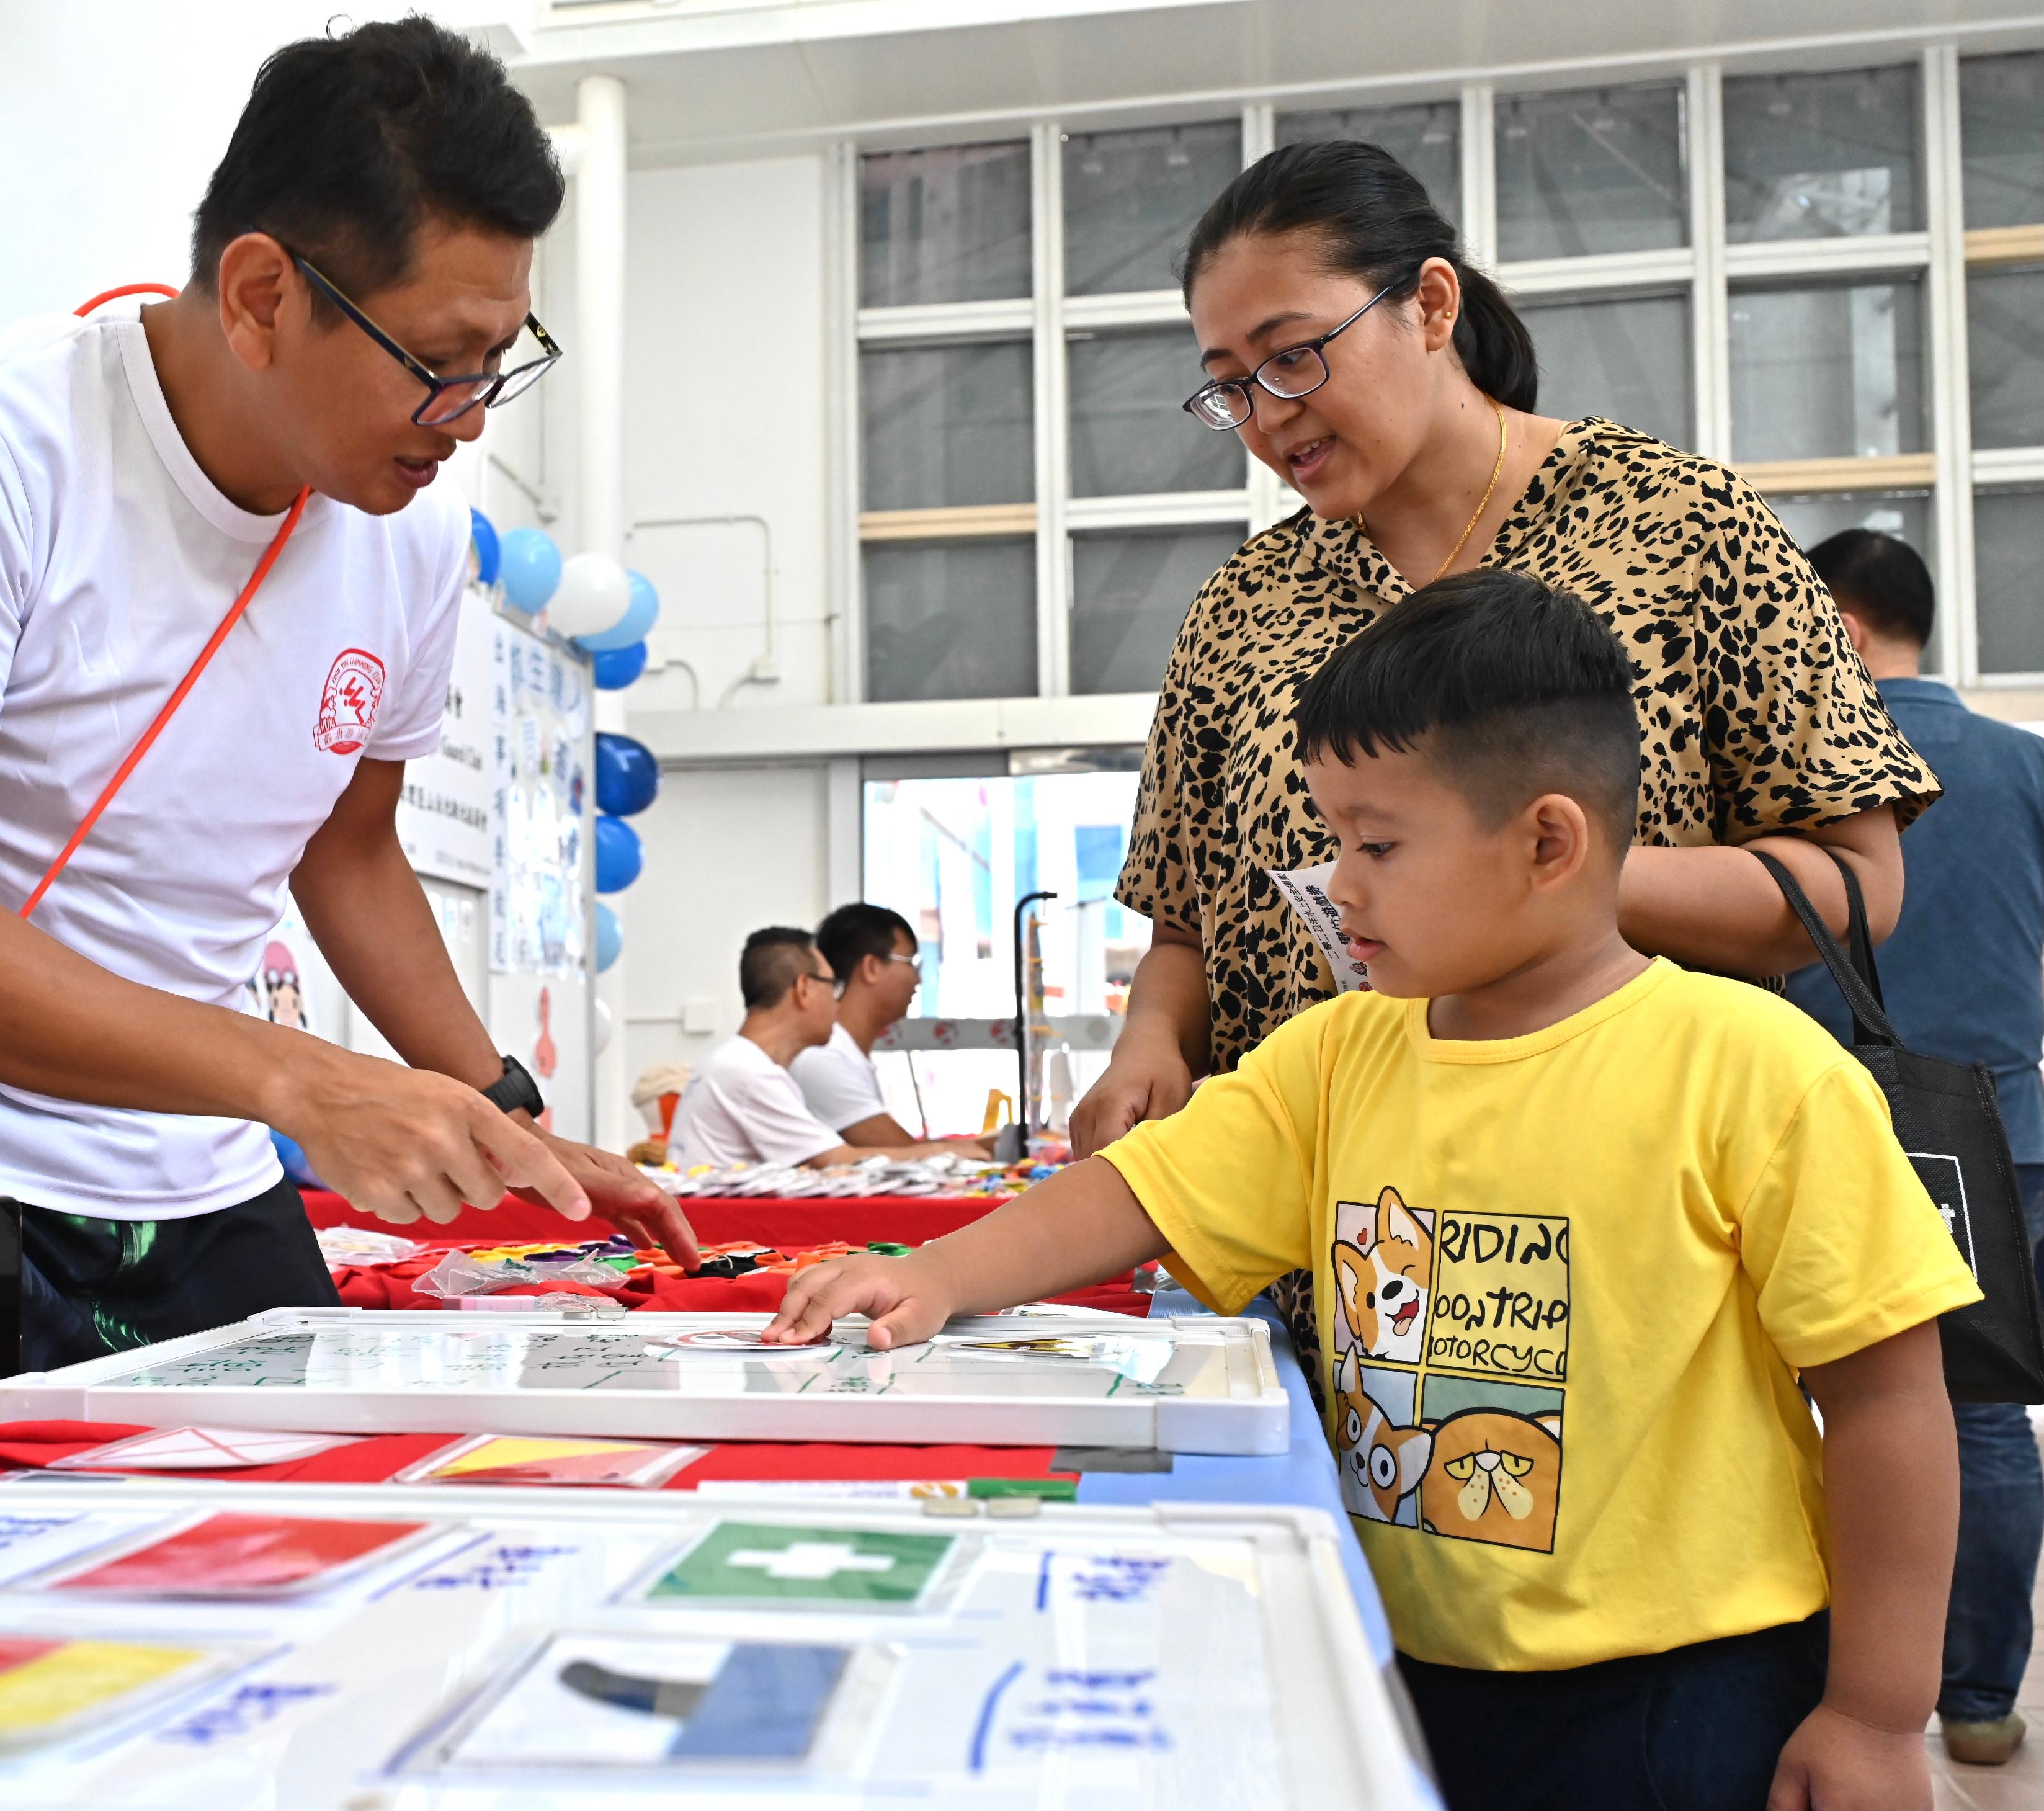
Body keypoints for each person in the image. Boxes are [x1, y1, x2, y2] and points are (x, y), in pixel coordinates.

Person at [770, 572, 1975, 1811]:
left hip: (1679, 1687)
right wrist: (933, 1275)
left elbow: (1887, 1399)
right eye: (1334, 839)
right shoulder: (1341, 1052)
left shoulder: (1749, 1067)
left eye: (1377, 843)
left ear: (1547, 842)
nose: (1336, 884)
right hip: (1402, 1658)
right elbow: (1135, 1190)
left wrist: (1876, 1712)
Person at [0, 19, 694, 1478]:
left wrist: (512, 1123)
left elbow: (348, 851)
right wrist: (303, 1083)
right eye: (437, 363)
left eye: (501, 362)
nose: (465, 421)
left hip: (201, 1160)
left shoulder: (411, 540)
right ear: (260, 294)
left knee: (317, 1590)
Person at [1070, 140, 1937, 1380]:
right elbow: (1183, 922)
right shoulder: (1240, 605)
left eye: (1293, 354)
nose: (1267, 417)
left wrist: (1537, 878)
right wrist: (1147, 1047)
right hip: (1314, 1260)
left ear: (1430, 305)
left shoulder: (1680, 530)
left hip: (1619, 1254)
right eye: (1229, 386)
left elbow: (1854, 887)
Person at [1782, 528, 2044, 1769]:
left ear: (1832, 622)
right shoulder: (2020, 767)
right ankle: (1978, 1699)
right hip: (1995, 1137)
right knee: (1979, 1412)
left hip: (1801, 1128)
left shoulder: (1792, 779)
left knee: (1786, 1402)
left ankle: (1814, 1684)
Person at [668, 929, 976, 1170]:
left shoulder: (738, 1061)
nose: (837, 1003)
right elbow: (838, 1160)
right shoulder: (749, 1072)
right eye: (833, 987)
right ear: (804, 989)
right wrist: (946, 1152)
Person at [793, 903, 990, 1153]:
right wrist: (996, 1147)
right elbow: (909, 1155)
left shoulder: (845, 1053)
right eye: (911, 963)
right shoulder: (823, 1059)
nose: (918, 980)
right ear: (871, 968)